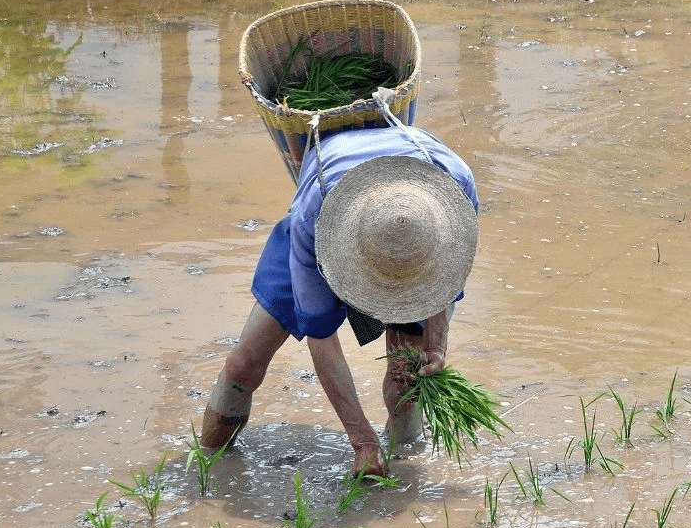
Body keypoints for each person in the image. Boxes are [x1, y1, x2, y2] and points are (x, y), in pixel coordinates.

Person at [199, 123, 480, 479]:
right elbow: (322, 340)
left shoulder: (456, 187)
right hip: (327, 227)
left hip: (416, 249)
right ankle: (207, 470)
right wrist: (361, 441)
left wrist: (436, 344)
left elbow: (448, 277)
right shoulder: (314, 218)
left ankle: (407, 468)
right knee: (244, 366)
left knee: (408, 377)